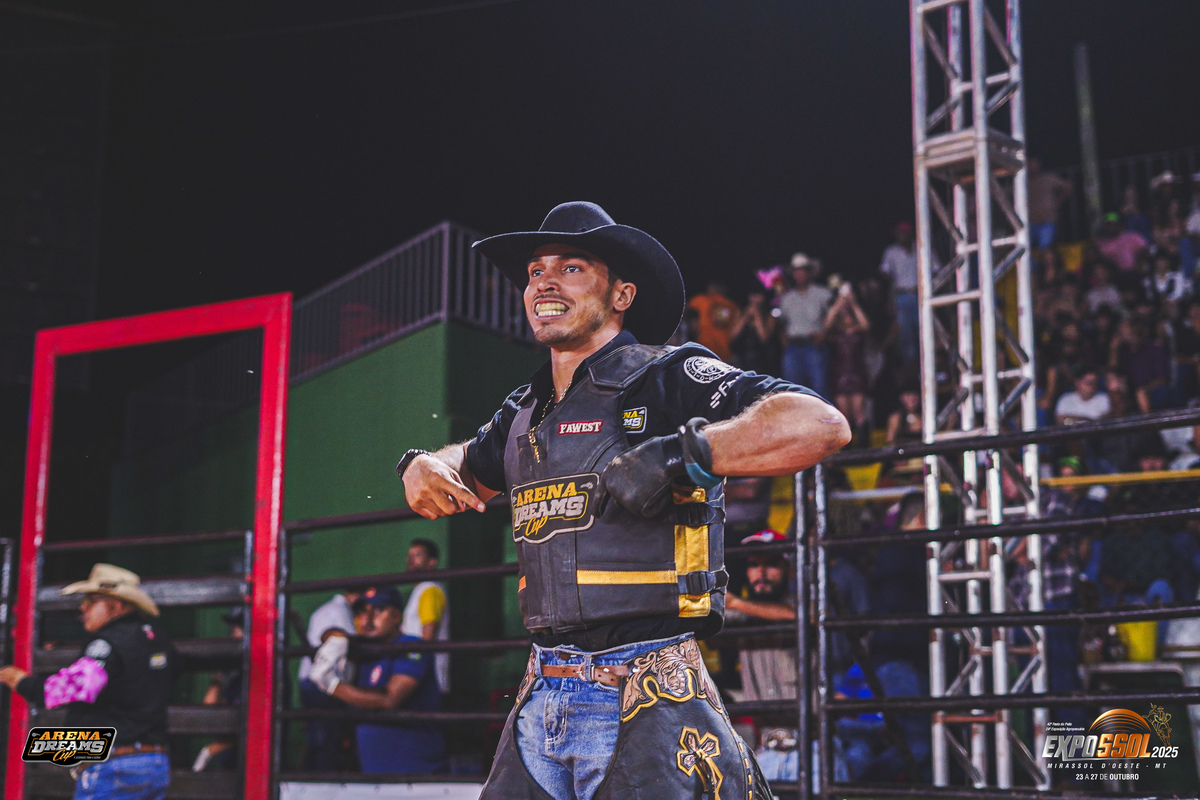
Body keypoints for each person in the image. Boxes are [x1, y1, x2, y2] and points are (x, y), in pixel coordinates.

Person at [396, 201, 851, 800]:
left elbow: (820, 424)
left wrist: (684, 455)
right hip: (540, 694)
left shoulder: (667, 375)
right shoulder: (524, 409)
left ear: (622, 295)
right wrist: (424, 464)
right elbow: (467, 469)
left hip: (649, 686)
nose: (545, 283)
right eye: (535, 271)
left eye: (571, 268)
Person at [0, 564, 175, 800]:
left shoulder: (106, 643)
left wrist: (18, 680)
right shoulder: (157, 640)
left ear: (117, 605)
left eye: (91, 601)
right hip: (155, 763)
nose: (83, 607)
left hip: (116, 765)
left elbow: (70, 689)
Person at [309, 586, 447, 774]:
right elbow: (328, 633)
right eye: (362, 611)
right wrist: (337, 640)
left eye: (378, 610)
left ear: (396, 616)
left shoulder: (412, 647)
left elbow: (389, 699)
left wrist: (331, 685)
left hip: (417, 771)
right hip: (374, 772)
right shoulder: (366, 648)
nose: (367, 619)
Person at [298, 590, 359, 771]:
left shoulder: (324, 610)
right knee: (326, 739)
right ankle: (319, 780)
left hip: (314, 681)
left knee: (318, 737)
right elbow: (345, 645)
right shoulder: (339, 612)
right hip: (324, 684)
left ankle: (310, 779)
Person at [192, 608, 244, 772]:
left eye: (240, 627)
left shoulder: (267, 675)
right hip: (229, 767)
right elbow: (210, 708)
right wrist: (218, 675)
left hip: (250, 766)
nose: (234, 633)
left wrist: (209, 751)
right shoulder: (237, 678)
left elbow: (255, 728)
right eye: (234, 628)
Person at [822, 279, 871, 444]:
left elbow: (866, 325)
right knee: (844, 414)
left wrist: (853, 304)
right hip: (840, 372)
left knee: (859, 412)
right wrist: (838, 304)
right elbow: (826, 326)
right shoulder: (835, 332)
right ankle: (847, 447)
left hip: (857, 371)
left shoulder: (858, 330)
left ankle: (863, 446)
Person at [779, 252, 834, 397]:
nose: (799, 274)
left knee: (819, 388)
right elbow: (782, 321)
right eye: (796, 271)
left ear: (809, 273)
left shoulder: (823, 294)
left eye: (803, 270)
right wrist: (783, 338)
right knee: (793, 390)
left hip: (814, 345)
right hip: (793, 346)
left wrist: (824, 334)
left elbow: (833, 317)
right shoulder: (787, 298)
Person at [401, 538, 450, 694]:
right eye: (409, 555)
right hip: (419, 674)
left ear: (431, 562)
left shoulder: (429, 590)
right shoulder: (422, 590)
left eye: (417, 555)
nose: (411, 559)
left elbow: (428, 637)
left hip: (424, 678)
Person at [878, 222, 920, 374]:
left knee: (923, 332)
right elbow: (886, 275)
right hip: (901, 296)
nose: (902, 236)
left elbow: (936, 270)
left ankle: (924, 368)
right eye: (899, 233)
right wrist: (890, 298)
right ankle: (910, 372)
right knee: (904, 336)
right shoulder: (891, 251)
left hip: (920, 296)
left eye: (905, 232)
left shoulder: (921, 247)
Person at [686, 281, 741, 362]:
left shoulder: (699, 300)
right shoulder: (732, 306)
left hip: (706, 351)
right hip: (717, 353)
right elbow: (734, 332)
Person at [1027, 157, 1072, 249]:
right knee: (1026, 250)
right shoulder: (1023, 181)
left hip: (1046, 221)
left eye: (1034, 163)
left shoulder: (1047, 178)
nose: (1032, 166)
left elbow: (1068, 186)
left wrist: (1057, 202)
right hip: (1029, 222)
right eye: (1030, 164)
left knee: (1045, 249)